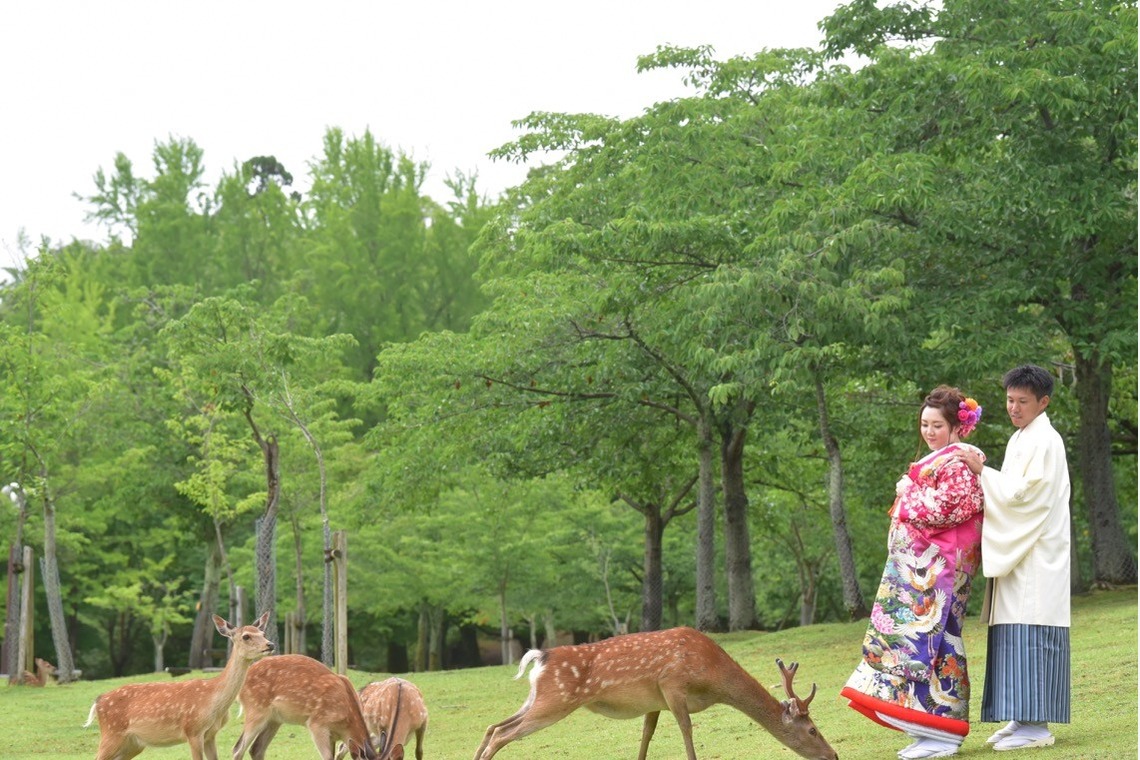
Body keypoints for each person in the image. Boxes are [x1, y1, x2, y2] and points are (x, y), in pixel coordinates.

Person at [842, 385, 986, 759]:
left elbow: (945, 510)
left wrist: (908, 495)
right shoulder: (942, 460)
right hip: (928, 567)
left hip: (944, 568)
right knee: (916, 642)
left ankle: (945, 731)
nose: (929, 432)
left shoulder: (959, 464)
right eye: (924, 424)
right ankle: (926, 726)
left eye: (937, 425)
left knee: (940, 641)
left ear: (957, 426)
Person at [953, 364, 1071, 751]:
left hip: (1036, 551)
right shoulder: (1022, 437)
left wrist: (983, 472)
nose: (1014, 408)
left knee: (1032, 631)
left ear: (1043, 402)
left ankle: (1037, 725)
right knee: (1012, 631)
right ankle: (1022, 717)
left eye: (1023, 401)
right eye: (1009, 400)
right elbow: (1012, 491)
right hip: (1020, 548)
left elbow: (1027, 498)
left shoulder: (1046, 440)